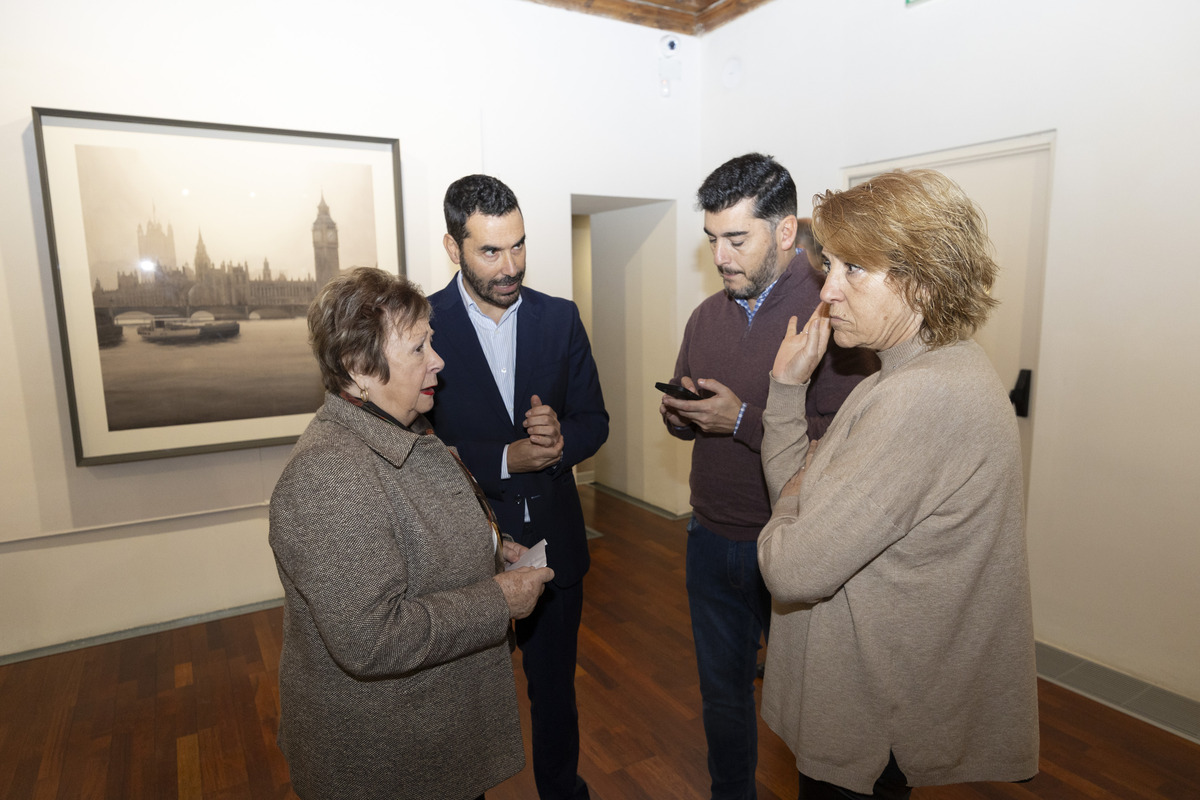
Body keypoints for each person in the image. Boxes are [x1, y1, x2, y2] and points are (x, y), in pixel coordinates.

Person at [759, 169, 1039, 798]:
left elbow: (793, 569)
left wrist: (791, 515)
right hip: (863, 704)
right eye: (830, 266)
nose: (828, 291)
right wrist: (787, 391)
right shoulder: (896, 378)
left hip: (870, 717)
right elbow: (793, 490)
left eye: (852, 269)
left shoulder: (923, 397)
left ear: (922, 279)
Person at [269, 267, 555, 800]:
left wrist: (490, 551)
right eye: (419, 347)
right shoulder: (330, 475)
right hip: (388, 760)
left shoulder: (401, 427)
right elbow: (371, 639)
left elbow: (415, 545)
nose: (438, 359)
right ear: (359, 368)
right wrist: (499, 600)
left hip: (433, 741)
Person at [659, 153, 877, 800]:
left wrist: (741, 419)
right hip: (710, 537)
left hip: (793, 548)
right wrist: (681, 414)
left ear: (784, 232)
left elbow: (843, 452)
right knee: (723, 701)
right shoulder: (706, 316)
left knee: (813, 714)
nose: (721, 257)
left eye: (736, 239)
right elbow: (687, 420)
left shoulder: (836, 316)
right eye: (712, 241)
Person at [427, 175, 609, 800]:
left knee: (555, 694)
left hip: (556, 544)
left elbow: (595, 421)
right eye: (490, 251)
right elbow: (416, 453)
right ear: (453, 248)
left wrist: (561, 442)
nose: (511, 267)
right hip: (459, 555)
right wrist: (507, 458)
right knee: (463, 702)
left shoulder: (560, 319)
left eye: (520, 247)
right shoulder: (420, 326)